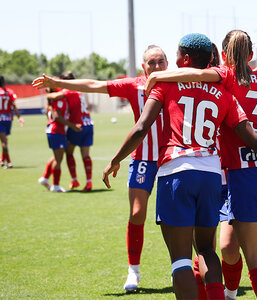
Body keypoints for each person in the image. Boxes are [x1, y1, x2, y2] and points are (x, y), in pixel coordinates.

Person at [102, 33, 257, 300]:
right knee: (208, 250)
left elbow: (142, 127)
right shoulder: (224, 93)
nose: (172, 62)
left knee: (180, 259)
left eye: (176, 55)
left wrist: (115, 159)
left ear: (186, 58)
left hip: (176, 171)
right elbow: (253, 136)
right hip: (212, 174)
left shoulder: (166, 85)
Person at [32, 45, 168, 291]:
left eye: (161, 62)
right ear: (143, 67)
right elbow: (94, 85)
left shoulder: (177, 82)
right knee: (137, 214)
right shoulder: (133, 85)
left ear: (168, 64)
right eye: (152, 63)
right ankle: (133, 272)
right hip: (143, 158)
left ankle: (179, 267)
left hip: (172, 157)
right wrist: (57, 83)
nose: (157, 67)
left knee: (174, 216)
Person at [38, 85, 82, 192]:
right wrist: (73, 126)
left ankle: (45, 178)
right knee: (58, 160)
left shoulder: (51, 101)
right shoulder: (59, 101)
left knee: (56, 156)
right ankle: (56, 186)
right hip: (57, 131)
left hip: (53, 130)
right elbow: (57, 117)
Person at [57, 71, 95, 192]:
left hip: (77, 125)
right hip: (89, 124)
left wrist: (50, 91)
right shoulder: (79, 92)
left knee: (69, 152)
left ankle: (74, 180)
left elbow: (55, 97)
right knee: (86, 155)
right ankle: (89, 182)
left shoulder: (68, 90)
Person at [0, 75, 24, 169]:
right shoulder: (9, 92)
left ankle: (8, 162)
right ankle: (2, 160)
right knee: (5, 140)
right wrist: (19, 117)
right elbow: (14, 105)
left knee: (4, 142)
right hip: (8, 119)